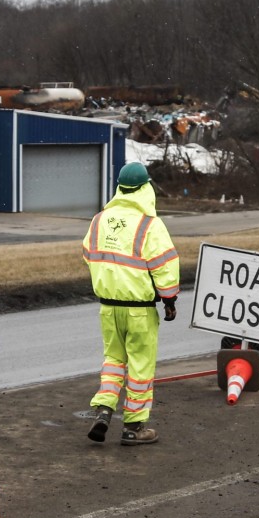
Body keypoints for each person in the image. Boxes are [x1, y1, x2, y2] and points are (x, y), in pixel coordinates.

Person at [82, 161, 180, 446]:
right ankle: (134, 428)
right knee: (140, 366)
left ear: (120, 188)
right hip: (139, 310)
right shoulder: (151, 224)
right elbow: (165, 266)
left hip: (108, 307)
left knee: (113, 360)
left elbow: (89, 254)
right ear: (145, 187)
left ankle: (103, 409)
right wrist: (169, 300)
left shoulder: (99, 219)